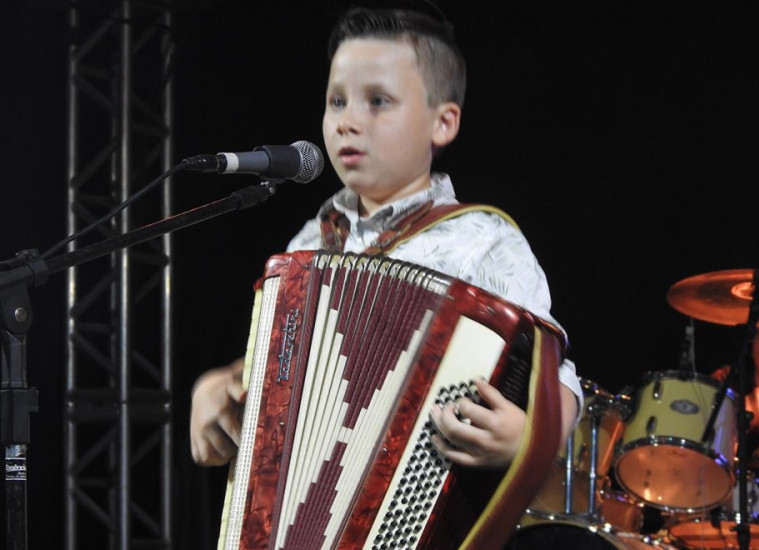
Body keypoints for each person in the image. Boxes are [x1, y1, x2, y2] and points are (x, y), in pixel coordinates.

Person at [190, 1, 581, 480]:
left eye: (378, 101)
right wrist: (222, 386)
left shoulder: (483, 241)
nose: (347, 121)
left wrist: (528, 437)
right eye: (337, 101)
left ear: (443, 123)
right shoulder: (307, 245)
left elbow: (557, 379)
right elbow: (283, 370)